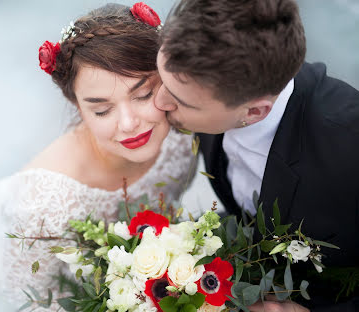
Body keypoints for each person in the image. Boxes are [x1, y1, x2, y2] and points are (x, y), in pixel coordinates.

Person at [0, 3, 194, 311]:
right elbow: (29, 304)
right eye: (102, 110)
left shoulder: (182, 132)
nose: (129, 123)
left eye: (143, 95)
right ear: (78, 106)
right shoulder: (40, 206)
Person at [154, 0, 359, 311]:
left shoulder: (349, 148)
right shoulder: (208, 80)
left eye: (181, 101)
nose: (159, 101)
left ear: (253, 112)